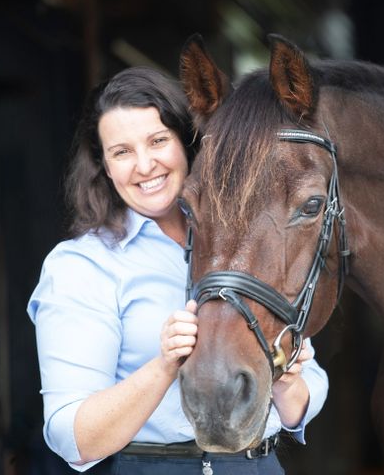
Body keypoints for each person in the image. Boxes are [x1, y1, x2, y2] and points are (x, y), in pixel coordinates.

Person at [27, 66, 328, 474]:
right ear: (105, 166)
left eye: (157, 141)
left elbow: (304, 394)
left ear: (186, 142)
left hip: (262, 464)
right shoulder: (82, 266)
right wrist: (164, 365)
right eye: (122, 152)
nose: (144, 165)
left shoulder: (245, 237)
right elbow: (72, 438)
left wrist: (288, 380)